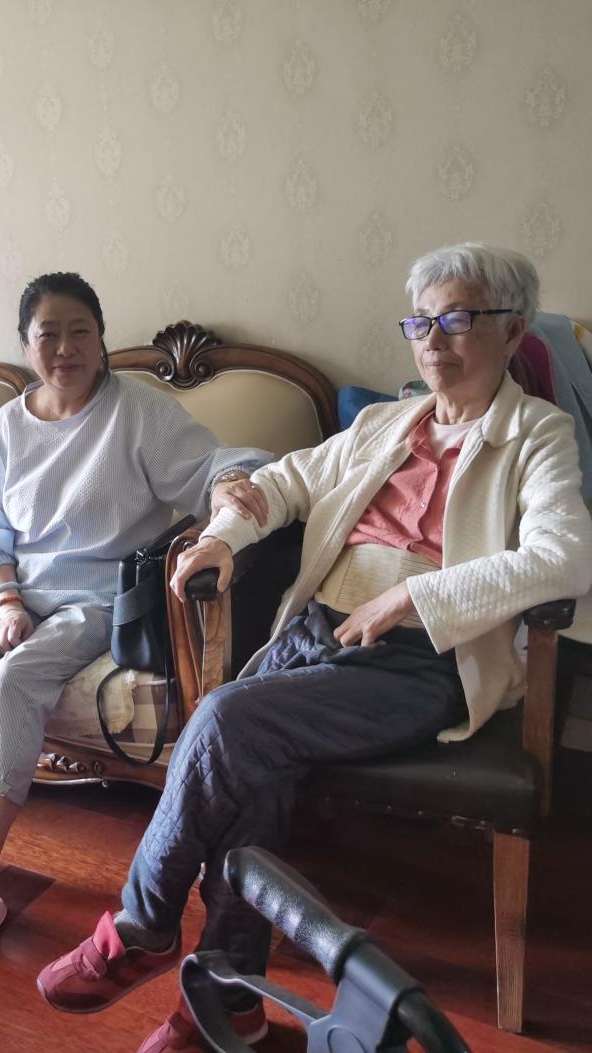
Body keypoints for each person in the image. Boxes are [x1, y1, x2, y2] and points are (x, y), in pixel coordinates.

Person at [36, 243, 592, 1053]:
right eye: (419, 322)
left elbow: (564, 557)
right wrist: (222, 536)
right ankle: (229, 1009)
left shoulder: (536, 434)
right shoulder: (385, 422)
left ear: (511, 331)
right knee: (250, 769)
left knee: (223, 721)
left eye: (455, 320)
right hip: (316, 632)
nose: (431, 340)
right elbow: (284, 481)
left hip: (417, 659)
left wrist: (416, 595)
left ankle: (141, 925)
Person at [0, 271, 272, 988]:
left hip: (96, 596)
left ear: (102, 339)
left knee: (16, 679)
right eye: (48, 334)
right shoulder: (10, 423)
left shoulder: (137, 411)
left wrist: (233, 482)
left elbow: (212, 463)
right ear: (26, 345)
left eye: (81, 331)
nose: (66, 347)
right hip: (16, 588)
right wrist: (5, 599)